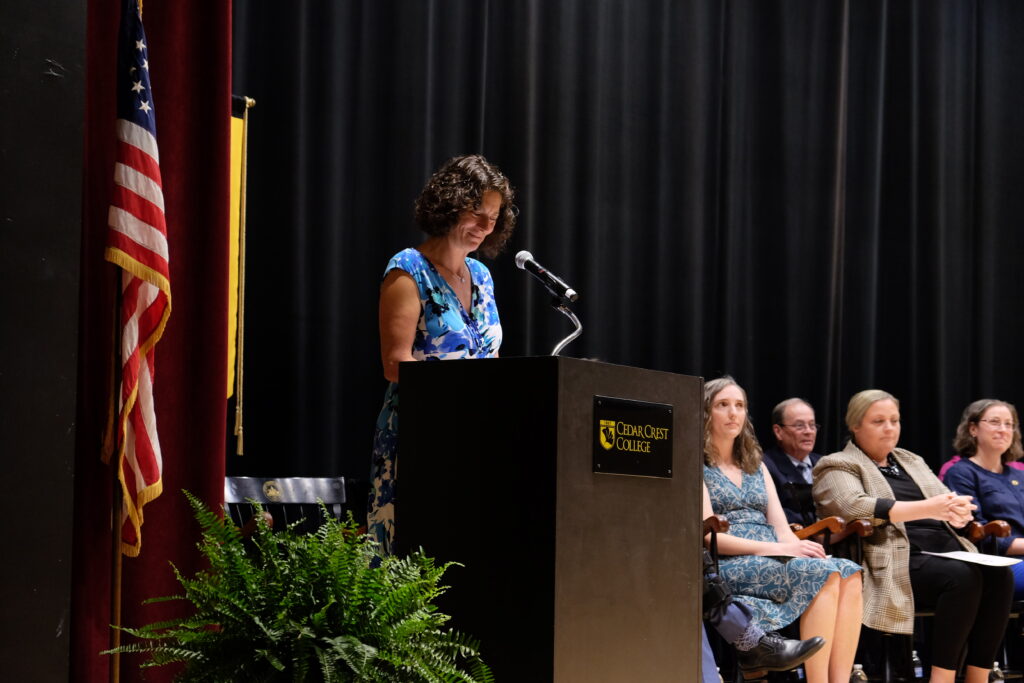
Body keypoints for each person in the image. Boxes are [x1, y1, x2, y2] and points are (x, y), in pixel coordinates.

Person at [368, 154, 516, 554]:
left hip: (474, 436)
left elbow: (492, 359)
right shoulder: (408, 269)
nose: (486, 228)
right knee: (413, 556)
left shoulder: (482, 277)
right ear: (449, 204)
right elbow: (396, 364)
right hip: (420, 433)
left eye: (494, 217)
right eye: (476, 213)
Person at [813, 390, 1014, 683]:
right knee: (962, 576)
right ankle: (942, 678)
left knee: (1000, 577)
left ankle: (977, 676)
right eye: (878, 421)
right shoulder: (838, 463)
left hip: (945, 549)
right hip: (895, 557)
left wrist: (958, 513)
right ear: (856, 425)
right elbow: (853, 505)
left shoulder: (910, 460)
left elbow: (945, 500)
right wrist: (931, 507)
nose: (889, 428)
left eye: (894, 420)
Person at [702, 377, 862, 683]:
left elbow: (780, 526)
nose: (733, 413)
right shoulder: (697, 463)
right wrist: (779, 548)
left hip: (773, 552)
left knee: (848, 571)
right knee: (825, 575)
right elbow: (710, 536)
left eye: (740, 406)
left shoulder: (755, 463)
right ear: (706, 412)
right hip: (730, 561)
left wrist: (800, 548)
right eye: (723, 405)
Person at [702, 545, 825, 682]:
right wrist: (773, 548)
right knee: (821, 571)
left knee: (841, 569)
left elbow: (785, 533)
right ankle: (748, 639)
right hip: (733, 554)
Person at [944, 399, 1024, 600]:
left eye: (1009, 424)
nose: (1003, 430)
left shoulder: (1019, 475)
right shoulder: (961, 473)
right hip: (997, 562)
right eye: (995, 422)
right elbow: (977, 534)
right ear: (973, 429)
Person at [763, 398, 824, 526]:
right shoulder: (766, 465)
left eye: (812, 425)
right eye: (799, 425)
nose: (808, 431)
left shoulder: (825, 463)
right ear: (778, 431)